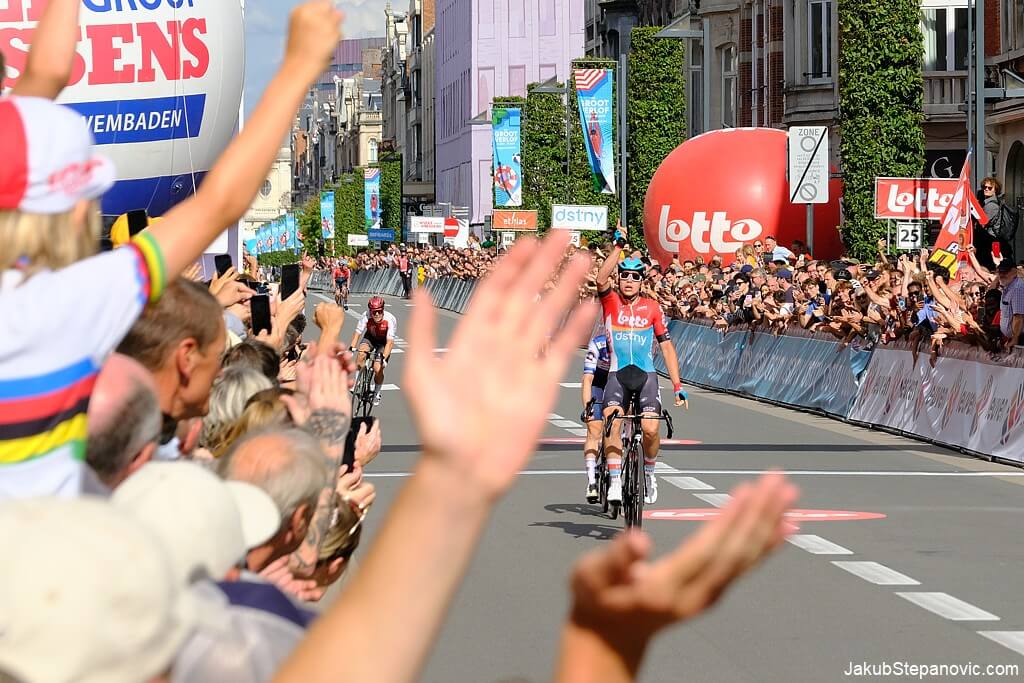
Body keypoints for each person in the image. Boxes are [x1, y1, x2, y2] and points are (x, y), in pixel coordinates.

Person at [0, 0, 343, 497]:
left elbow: (43, 74)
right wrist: (299, 68)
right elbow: (221, 202)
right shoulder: (74, 302)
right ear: (77, 211)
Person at [594, 233, 688, 506]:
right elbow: (601, 279)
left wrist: (678, 386)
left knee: (649, 429)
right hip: (617, 373)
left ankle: (649, 472)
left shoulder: (652, 308)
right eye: (624, 276)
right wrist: (619, 248)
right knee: (612, 421)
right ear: (619, 279)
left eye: (635, 277)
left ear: (641, 282)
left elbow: (667, 348)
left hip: (645, 375)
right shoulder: (610, 302)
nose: (629, 281)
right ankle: (613, 480)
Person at [348, 296, 397, 406]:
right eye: (374, 312)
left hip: (384, 342)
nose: (376, 314)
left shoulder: (390, 319)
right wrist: (351, 348)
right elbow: (357, 333)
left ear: (383, 310)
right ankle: (357, 381)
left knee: (377, 367)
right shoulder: (365, 316)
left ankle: (377, 392)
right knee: (361, 354)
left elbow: (390, 343)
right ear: (370, 311)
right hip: (370, 337)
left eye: (379, 311)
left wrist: (383, 358)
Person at [581, 330, 611, 503]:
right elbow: (587, 380)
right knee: (594, 429)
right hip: (597, 385)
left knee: (617, 424)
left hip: (619, 385)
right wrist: (588, 407)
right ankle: (592, 481)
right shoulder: (598, 344)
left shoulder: (627, 346)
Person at [976, 177, 1017, 270]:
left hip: (990, 241)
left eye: (989, 188)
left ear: (995, 190)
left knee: (990, 267)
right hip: (992, 241)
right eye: (984, 187)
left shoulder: (991, 206)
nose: (986, 189)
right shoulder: (990, 203)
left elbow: (982, 223)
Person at [997, 259, 1024, 349]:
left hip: (1020, 340)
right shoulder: (1008, 285)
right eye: (1000, 271)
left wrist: (1015, 338)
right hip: (1012, 338)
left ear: (1014, 271)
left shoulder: (1017, 288)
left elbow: (1019, 317)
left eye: (1005, 272)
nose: (1002, 274)